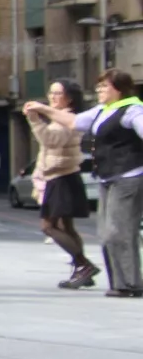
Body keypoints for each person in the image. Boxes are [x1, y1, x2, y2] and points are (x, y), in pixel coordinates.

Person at [25, 69, 143, 298]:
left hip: (129, 177)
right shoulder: (102, 111)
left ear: (118, 89)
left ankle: (132, 283)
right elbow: (74, 121)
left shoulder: (133, 110)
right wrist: (42, 109)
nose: (99, 90)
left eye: (104, 86)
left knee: (118, 232)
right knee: (106, 233)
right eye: (98, 86)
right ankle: (120, 283)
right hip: (108, 178)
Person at [23, 81, 98, 288]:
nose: (53, 97)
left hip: (63, 178)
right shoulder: (60, 118)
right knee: (66, 227)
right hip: (59, 177)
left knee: (48, 226)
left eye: (58, 93)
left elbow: (50, 140)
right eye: (51, 93)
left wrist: (34, 119)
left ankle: (83, 265)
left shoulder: (68, 119)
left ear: (69, 98)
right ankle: (82, 270)